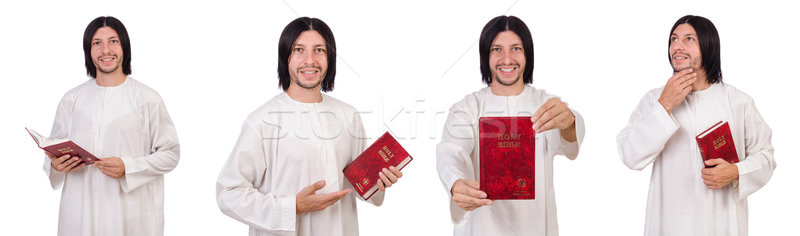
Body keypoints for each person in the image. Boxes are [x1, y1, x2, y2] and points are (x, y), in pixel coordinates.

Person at [216, 17, 402, 236]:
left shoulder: (348, 115)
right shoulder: (263, 120)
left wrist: (379, 183)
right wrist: (293, 206)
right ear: (285, 57)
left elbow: (360, 186)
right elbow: (228, 193)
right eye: (299, 50)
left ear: (330, 58)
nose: (309, 60)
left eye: (319, 50)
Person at [617, 15, 776, 236]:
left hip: (722, 225)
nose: (677, 46)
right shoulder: (654, 99)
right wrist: (664, 106)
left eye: (688, 39)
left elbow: (766, 157)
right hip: (668, 224)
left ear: (708, 46)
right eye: (673, 39)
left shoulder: (738, 101)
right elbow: (629, 155)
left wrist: (736, 172)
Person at [436, 15, 585, 235]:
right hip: (481, 227)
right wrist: (455, 182)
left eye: (516, 48)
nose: (507, 59)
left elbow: (570, 141)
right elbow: (451, 152)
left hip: (533, 226)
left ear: (527, 55)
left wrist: (569, 121)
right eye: (497, 49)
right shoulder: (467, 108)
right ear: (485, 55)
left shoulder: (545, 104)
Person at [44, 16, 180, 236]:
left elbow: (171, 154)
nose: (105, 50)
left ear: (124, 47)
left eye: (113, 41)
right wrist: (56, 165)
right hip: (80, 214)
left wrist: (128, 167)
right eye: (97, 43)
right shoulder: (72, 100)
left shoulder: (147, 99)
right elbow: (54, 149)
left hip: (131, 213)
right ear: (88, 51)